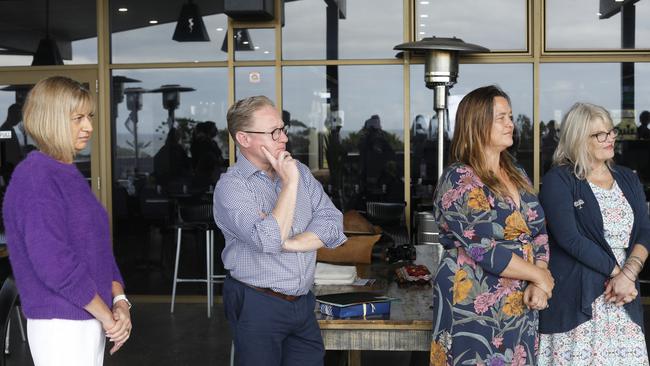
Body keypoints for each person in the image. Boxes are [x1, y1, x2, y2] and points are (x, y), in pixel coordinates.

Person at [1, 76, 131, 365]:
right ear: (51, 120)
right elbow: (54, 264)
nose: (89, 127)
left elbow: (99, 251)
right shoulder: (35, 177)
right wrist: (107, 317)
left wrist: (120, 302)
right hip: (61, 324)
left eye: (90, 116)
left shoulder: (66, 173)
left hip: (89, 318)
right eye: (78, 118)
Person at [213, 96, 347, 366]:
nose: (283, 138)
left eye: (283, 129)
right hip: (257, 302)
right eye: (273, 132)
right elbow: (268, 239)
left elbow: (333, 223)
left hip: (303, 303)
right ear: (244, 138)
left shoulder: (299, 171)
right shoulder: (232, 187)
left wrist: (292, 243)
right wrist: (289, 184)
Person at [430, 85, 553, 366]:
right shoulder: (459, 177)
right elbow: (484, 248)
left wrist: (540, 280)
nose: (511, 123)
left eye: (510, 116)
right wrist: (538, 275)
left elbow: (539, 233)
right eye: (501, 117)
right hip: (473, 302)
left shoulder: (517, 173)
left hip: (521, 301)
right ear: (477, 123)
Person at [537, 102, 650, 365]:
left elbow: (645, 230)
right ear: (579, 139)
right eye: (601, 134)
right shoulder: (559, 180)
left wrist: (629, 274)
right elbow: (570, 239)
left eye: (611, 132)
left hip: (622, 298)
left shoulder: (627, 178)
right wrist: (618, 275)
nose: (610, 139)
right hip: (579, 300)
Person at [190, 121, 224, 192]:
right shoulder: (206, 143)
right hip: (208, 174)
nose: (217, 130)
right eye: (214, 128)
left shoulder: (200, 143)